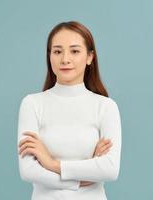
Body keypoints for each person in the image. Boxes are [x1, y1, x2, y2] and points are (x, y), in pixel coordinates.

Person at [17, 21, 122, 200]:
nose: (65, 59)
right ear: (49, 56)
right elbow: (28, 171)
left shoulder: (105, 106)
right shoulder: (32, 104)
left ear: (90, 57)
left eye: (75, 51)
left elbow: (109, 169)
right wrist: (83, 176)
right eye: (57, 51)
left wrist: (51, 163)